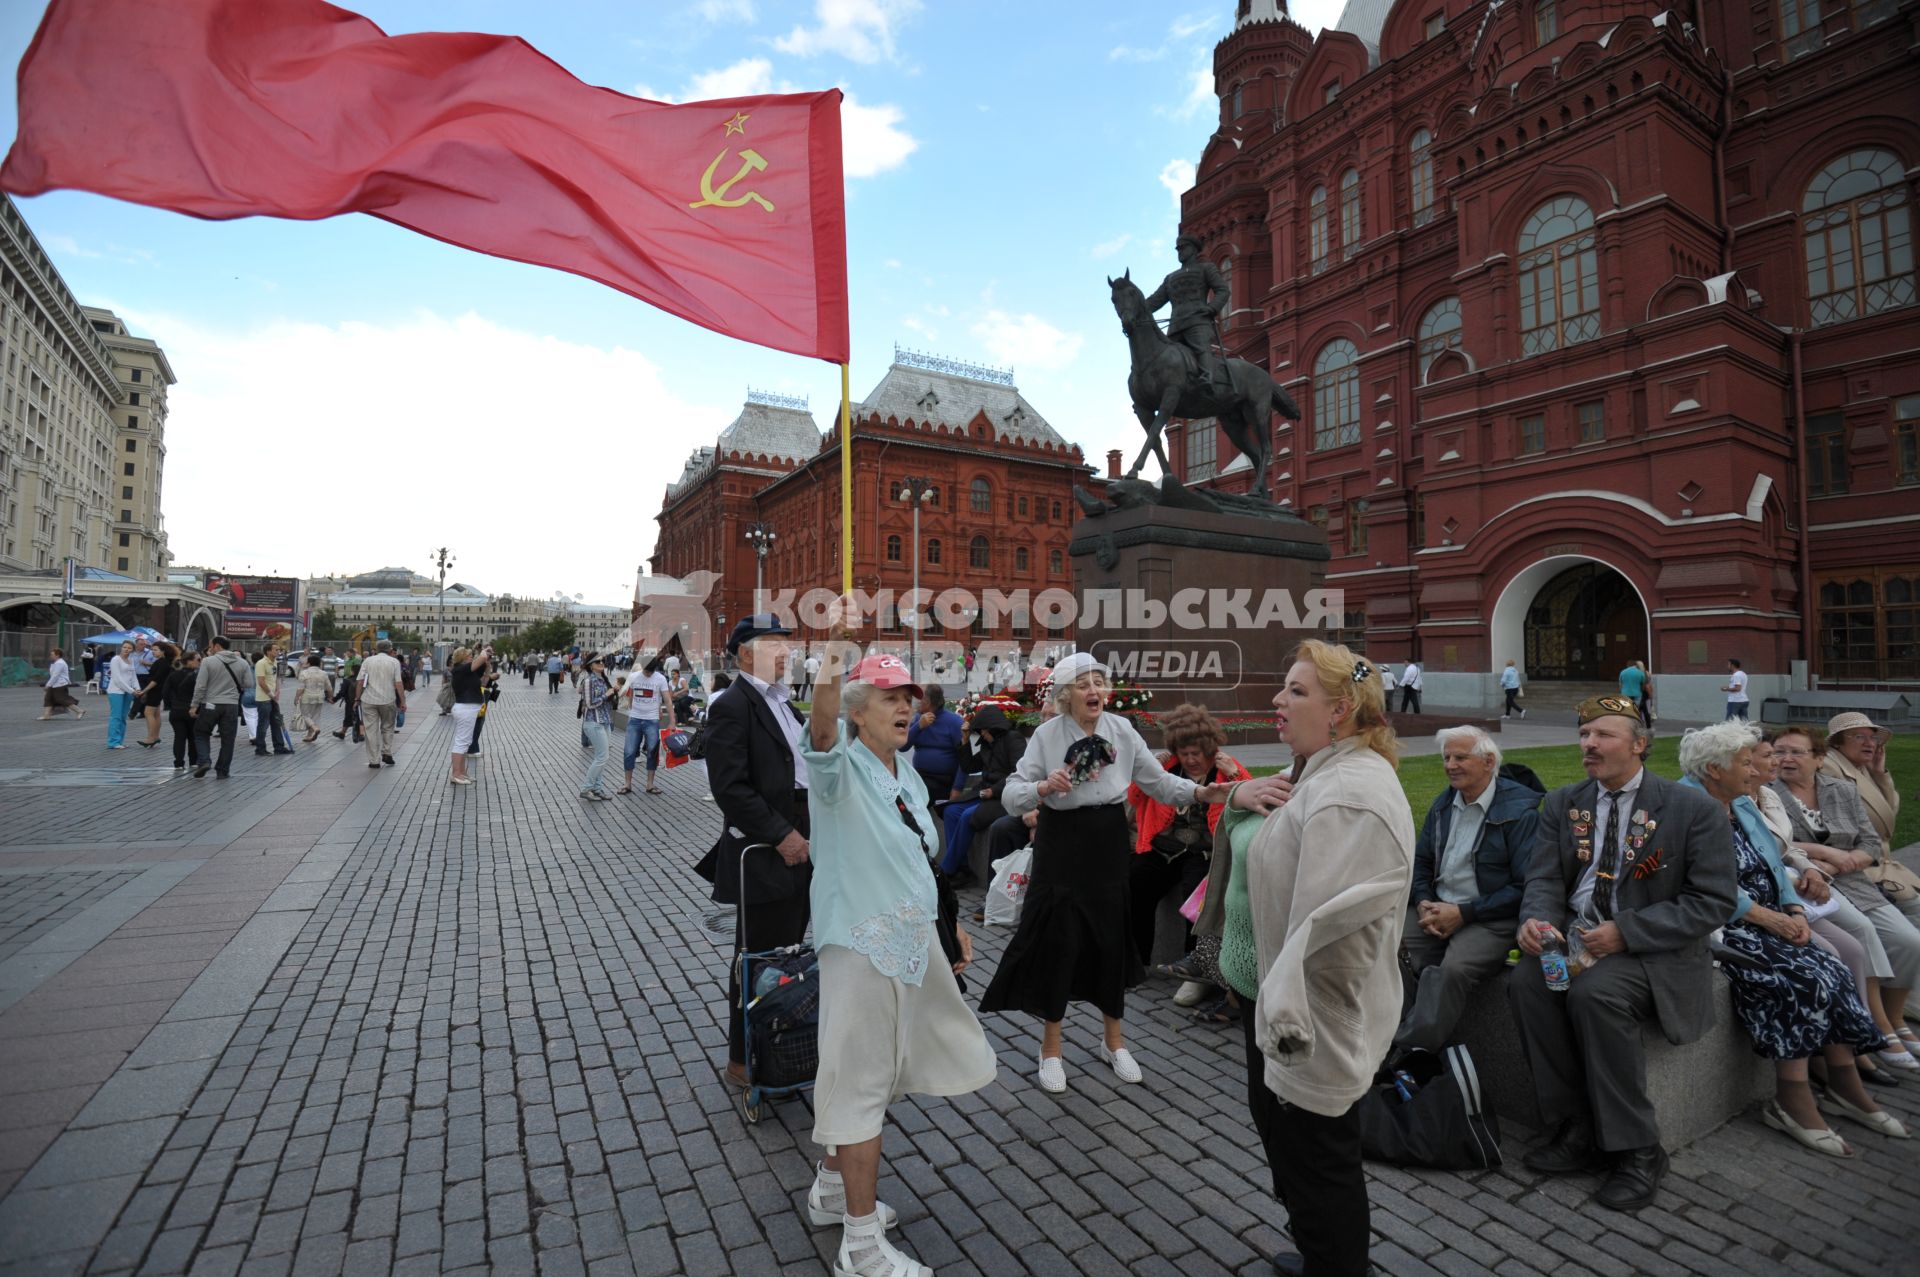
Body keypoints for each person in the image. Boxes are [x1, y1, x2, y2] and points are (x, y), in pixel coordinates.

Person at [802, 614, 996, 1277]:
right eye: (890, 697)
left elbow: (922, 857)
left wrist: (953, 924)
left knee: (870, 1073)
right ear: (860, 712)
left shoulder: (905, 773)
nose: (906, 708)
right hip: (860, 946)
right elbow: (820, 727)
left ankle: (833, 1189)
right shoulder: (839, 768)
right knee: (859, 1083)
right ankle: (859, 1246)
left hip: (908, 943)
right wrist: (836, 652)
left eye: (909, 697)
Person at [1214, 641, 1411, 1277]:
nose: (1278, 700)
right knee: (1295, 1155)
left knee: (1320, 1164)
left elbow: (1329, 939)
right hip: (1280, 1009)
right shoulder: (1320, 772)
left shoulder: (1348, 794)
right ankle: (1319, 1254)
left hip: (1310, 1023)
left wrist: (1290, 1018)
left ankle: (1333, 1265)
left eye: (1296, 691)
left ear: (1341, 710)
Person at [1510, 694, 1736, 1212]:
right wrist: (1535, 921)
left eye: (1603, 735)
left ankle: (1639, 1149)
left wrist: (1626, 932)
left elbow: (1713, 901)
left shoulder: (1692, 809)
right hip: (1572, 940)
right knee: (1529, 983)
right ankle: (1579, 1125)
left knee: (1595, 996)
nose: (1589, 744)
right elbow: (1544, 877)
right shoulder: (1565, 802)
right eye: (1584, 735)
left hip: (1650, 950)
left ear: (1639, 745)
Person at [979, 653, 1232, 1091]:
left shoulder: (1121, 730)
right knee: (1060, 939)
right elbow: (1012, 794)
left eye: (1099, 682)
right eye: (1083, 684)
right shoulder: (1046, 735)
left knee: (1111, 937)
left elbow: (1159, 783)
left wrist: (1201, 791)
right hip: (1061, 841)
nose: (1094, 690)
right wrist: (1041, 787)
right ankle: (1051, 1049)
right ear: (1065, 694)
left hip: (1107, 839)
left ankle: (1114, 1042)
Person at [1673, 721, 1897, 1156]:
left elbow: (1773, 866)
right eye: (1745, 762)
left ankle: (1843, 1080)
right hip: (1728, 923)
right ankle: (1792, 1099)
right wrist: (1772, 921)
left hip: (1771, 912)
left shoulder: (1740, 802)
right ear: (1715, 769)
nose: (1757, 770)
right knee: (1804, 974)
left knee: (1834, 966)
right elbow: (1703, 884)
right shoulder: (1687, 807)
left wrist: (1792, 907)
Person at [695, 614, 814, 1089]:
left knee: (792, 951)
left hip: (805, 836)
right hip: (770, 847)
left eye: (788, 643)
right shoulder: (732, 704)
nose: (787, 651)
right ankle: (742, 1057)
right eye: (775, 644)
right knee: (758, 954)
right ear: (746, 653)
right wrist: (781, 834)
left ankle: (783, 1040)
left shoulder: (786, 703)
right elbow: (730, 787)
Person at [1772, 727, 1920, 1072]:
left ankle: (1896, 1018)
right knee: (1862, 934)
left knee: (1909, 941)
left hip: (1853, 879)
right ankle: (1879, 1027)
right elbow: (1776, 840)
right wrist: (1822, 856)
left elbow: (1870, 842)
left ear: (1819, 759)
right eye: (1779, 752)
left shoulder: (1842, 789)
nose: (1785, 760)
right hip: (1812, 884)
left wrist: (1846, 861)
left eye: (1796, 752)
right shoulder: (1768, 793)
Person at [1395, 726, 1541, 1054]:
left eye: (1460, 757)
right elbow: (1421, 862)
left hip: (1490, 917)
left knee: (1452, 970)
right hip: (1437, 906)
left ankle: (1408, 1053)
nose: (1450, 765)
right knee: (1385, 946)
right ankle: (1390, 1030)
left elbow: (1525, 886)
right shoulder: (1444, 804)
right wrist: (1422, 901)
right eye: (1446, 757)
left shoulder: (1520, 813)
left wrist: (1464, 913)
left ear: (1489, 762)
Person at [1126, 704, 1250, 1009]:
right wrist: (1150, 769)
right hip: (1164, 847)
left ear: (1210, 750)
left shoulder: (1225, 769)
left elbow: (1249, 800)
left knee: (1194, 899)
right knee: (1136, 884)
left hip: (1204, 851)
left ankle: (1194, 975)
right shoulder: (1167, 769)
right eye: (1185, 753)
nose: (1191, 760)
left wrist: (1235, 773)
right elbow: (1134, 797)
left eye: (1197, 753)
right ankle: (1136, 960)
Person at [938, 705, 1026, 882]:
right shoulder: (987, 745)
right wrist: (964, 740)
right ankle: (961, 868)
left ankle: (946, 870)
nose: (982, 735)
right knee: (951, 812)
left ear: (992, 727)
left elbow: (1018, 773)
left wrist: (994, 790)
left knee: (968, 816)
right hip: (984, 793)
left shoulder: (1013, 739)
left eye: (983, 731)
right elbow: (969, 766)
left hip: (1003, 796)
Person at [1143, 234, 1231, 395]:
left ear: (1193, 249)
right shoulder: (1170, 278)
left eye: (1183, 248)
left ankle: (1207, 378)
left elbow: (1223, 290)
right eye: (1178, 249)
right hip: (1176, 325)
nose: (1180, 252)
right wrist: (1137, 308)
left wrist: (1212, 308)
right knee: (1164, 356)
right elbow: (1155, 301)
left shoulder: (1206, 268)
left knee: (1201, 348)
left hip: (1197, 322)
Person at [1821, 712, 1900, 849]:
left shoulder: (1862, 766)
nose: (1869, 743)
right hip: (1855, 857)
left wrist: (1880, 774)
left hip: (1876, 856)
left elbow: (1889, 813)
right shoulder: (1828, 767)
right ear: (1837, 742)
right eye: (1859, 737)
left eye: (1873, 738)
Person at [190, 636, 254, 778]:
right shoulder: (242, 662)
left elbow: (200, 686)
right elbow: (249, 683)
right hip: (231, 705)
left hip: (210, 703)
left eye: (210, 645)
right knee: (228, 739)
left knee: (201, 733)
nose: (209, 648)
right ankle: (222, 771)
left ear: (217, 646)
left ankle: (204, 761)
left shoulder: (207, 661)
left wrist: (194, 705)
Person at [619, 655, 675, 796]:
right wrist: (630, 705)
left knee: (652, 752)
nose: (648, 674)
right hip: (635, 719)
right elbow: (631, 693)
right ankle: (627, 784)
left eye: (651, 672)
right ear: (642, 667)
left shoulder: (660, 678)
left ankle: (650, 784)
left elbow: (667, 700)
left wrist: (672, 721)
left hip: (652, 720)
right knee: (629, 751)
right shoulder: (634, 676)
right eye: (646, 671)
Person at [905, 687, 966, 805]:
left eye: (919, 699)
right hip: (919, 775)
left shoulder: (954, 722)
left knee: (914, 799)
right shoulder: (919, 719)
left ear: (928, 702)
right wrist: (918, 726)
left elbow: (965, 760)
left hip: (942, 779)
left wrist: (957, 788)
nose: (916, 703)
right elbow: (903, 747)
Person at [446, 645, 491, 786]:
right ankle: (456, 774)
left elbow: (484, 680)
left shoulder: (469, 671)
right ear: (462, 657)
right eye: (469, 655)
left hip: (469, 708)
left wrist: (487, 663)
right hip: (465, 708)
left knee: (465, 742)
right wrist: (485, 651)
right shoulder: (460, 669)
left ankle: (462, 772)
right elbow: (482, 657)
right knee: (461, 742)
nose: (471, 657)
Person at [358, 639, 405, 769]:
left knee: (370, 730)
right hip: (388, 699)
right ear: (390, 649)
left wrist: (357, 699)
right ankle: (387, 752)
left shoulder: (367, 661)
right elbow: (398, 683)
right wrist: (402, 701)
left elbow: (361, 681)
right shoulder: (394, 662)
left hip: (368, 700)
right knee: (388, 727)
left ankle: (374, 761)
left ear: (377, 649)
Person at [574, 652, 615, 798]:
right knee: (602, 757)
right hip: (593, 722)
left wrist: (614, 693)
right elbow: (590, 704)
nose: (602, 663)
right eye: (598, 662)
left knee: (601, 756)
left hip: (604, 721)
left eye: (603, 661)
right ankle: (586, 788)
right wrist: (607, 695)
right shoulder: (588, 681)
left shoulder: (602, 680)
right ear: (591, 665)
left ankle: (597, 788)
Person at [164, 650, 203, 770]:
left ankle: (179, 763)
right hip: (192, 709)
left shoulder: (173, 675)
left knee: (179, 737)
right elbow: (201, 693)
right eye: (198, 660)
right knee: (193, 737)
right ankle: (193, 761)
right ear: (189, 661)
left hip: (176, 710)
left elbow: (165, 692)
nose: (200, 662)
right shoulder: (198, 676)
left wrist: (171, 705)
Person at [254, 643, 295, 756]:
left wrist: (278, 691)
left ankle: (279, 747)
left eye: (279, 650)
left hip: (273, 698)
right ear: (268, 651)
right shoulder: (261, 663)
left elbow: (276, 678)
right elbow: (261, 682)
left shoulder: (275, 662)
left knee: (276, 723)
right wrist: (271, 694)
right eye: (276, 650)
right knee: (263, 724)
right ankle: (260, 748)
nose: (279, 652)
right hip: (263, 699)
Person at [134, 641, 173, 747]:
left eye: (155, 650)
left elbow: (155, 680)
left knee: (148, 713)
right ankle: (155, 737)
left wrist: (144, 691)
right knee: (156, 714)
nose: (153, 652)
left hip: (156, 690)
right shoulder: (162, 661)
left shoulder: (162, 662)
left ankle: (151, 738)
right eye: (152, 650)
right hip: (158, 690)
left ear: (163, 651)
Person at [105, 640, 140, 749]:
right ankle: (113, 742)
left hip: (128, 692)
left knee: (123, 717)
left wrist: (137, 688)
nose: (126, 649)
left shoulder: (131, 660)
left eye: (129, 648)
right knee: (116, 717)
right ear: (121, 647)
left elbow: (133, 676)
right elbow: (117, 679)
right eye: (125, 647)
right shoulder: (115, 659)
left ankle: (119, 741)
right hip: (116, 691)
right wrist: (132, 690)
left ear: (132, 650)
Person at [39, 647, 83, 720]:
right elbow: (53, 675)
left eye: (52, 655)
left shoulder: (60, 663)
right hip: (55, 684)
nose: (51, 656)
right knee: (48, 699)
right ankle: (46, 716)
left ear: (57, 655)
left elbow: (55, 675)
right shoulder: (57, 663)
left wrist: (47, 685)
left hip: (60, 684)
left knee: (62, 699)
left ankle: (79, 711)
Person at [295, 654, 330, 745]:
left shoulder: (304, 673)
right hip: (320, 697)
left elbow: (301, 688)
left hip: (307, 697)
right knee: (315, 716)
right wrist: (331, 697)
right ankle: (309, 735)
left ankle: (315, 729)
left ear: (309, 663)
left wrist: (296, 697)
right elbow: (329, 687)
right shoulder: (324, 673)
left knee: (305, 715)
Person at [332, 651, 363, 743]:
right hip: (362, 702)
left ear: (352, 671)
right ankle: (360, 734)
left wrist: (334, 699)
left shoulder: (347, 680)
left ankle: (344, 733)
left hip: (350, 702)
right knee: (361, 717)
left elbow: (342, 692)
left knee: (348, 717)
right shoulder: (363, 680)